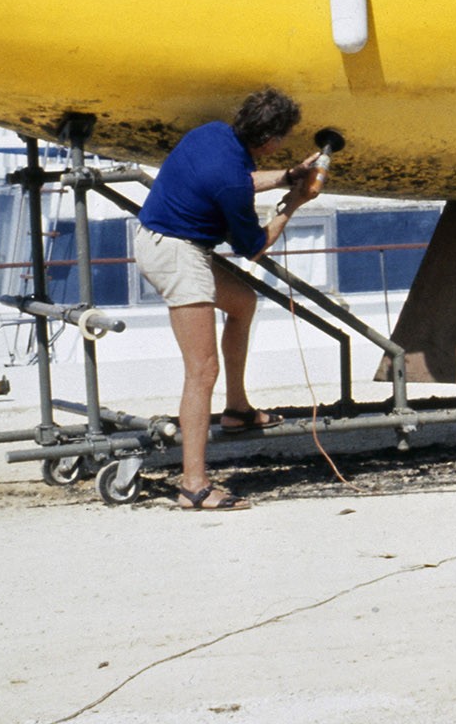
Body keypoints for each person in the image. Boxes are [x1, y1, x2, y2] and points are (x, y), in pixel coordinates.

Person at [134, 88, 319, 510]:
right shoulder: (232, 181)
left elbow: (238, 178)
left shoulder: (214, 134)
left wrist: (288, 175)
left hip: (165, 240)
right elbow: (253, 246)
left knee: (242, 302)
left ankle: (237, 410)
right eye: (283, 140)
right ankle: (193, 486)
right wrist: (293, 203)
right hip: (176, 254)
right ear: (269, 140)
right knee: (201, 371)